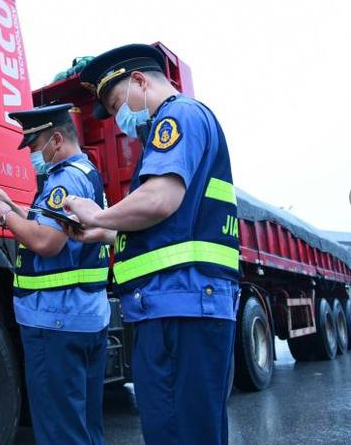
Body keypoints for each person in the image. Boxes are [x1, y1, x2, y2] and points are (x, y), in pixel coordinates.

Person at [64, 43, 240, 445]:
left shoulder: (177, 115)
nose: (118, 119)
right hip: (179, 303)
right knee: (184, 429)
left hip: (180, 303)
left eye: (116, 104)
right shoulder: (183, 121)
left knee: (178, 431)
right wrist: (103, 232)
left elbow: (160, 199)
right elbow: (171, 228)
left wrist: (97, 214)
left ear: (140, 81)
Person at [0, 104, 112, 445]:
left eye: (35, 146)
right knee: (85, 427)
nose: (32, 156)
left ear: (56, 139)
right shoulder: (86, 172)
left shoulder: (63, 178)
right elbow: (53, 225)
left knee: (60, 432)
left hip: (55, 320)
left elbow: (46, 241)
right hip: (83, 317)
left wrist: (4, 217)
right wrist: (12, 206)